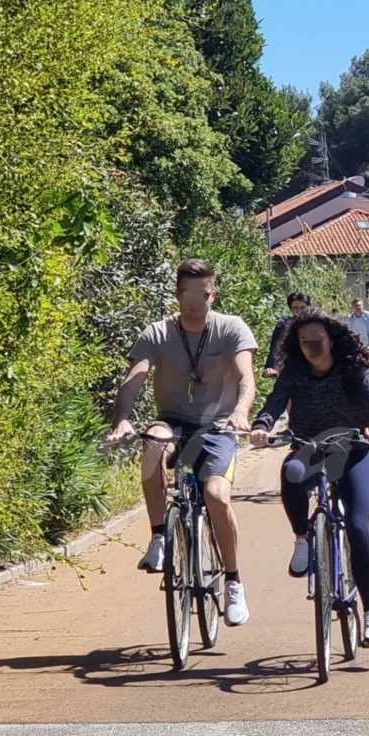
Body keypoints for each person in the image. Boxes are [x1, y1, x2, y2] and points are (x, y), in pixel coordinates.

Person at [106, 258, 258, 626]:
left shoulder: (231, 328)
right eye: (187, 295)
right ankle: (159, 536)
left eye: (202, 295)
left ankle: (234, 581)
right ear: (177, 295)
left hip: (217, 426)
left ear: (212, 294)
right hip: (172, 422)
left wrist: (239, 412)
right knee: (153, 443)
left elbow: (246, 378)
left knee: (217, 496)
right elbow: (135, 378)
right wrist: (122, 420)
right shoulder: (157, 332)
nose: (195, 303)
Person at [251, 309, 369, 647]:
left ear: (331, 339)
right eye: (303, 342)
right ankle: (302, 538)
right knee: (291, 472)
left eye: (317, 340)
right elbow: (274, 402)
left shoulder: (352, 367)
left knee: (357, 527)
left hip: (353, 449)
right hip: (309, 448)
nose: (311, 347)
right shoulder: (295, 372)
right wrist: (262, 426)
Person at [263, 292, 311, 377]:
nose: (299, 311)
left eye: (303, 308)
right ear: (290, 309)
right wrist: (271, 367)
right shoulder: (284, 324)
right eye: (295, 308)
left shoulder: (317, 324)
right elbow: (276, 346)